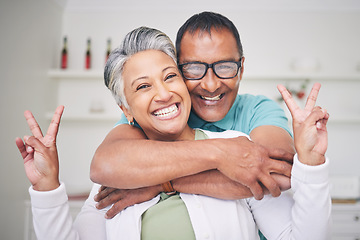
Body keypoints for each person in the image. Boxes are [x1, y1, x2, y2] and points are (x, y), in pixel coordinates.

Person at [16, 26, 331, 240]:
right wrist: (47, 187)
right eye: (143, 87)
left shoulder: (238, 149)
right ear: (126, 110)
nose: (164, 94)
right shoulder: (117, 174)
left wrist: (313, 163)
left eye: (170, 77)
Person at [90, 12, 295, 219]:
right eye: (194, 69)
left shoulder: (258, 109)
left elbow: (278, 175)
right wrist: (222, 154)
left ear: (241, 69)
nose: (211, 85)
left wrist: (163, 183)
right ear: (180, 71)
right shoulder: (159, 117)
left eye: (224, 67)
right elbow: (106, 163)